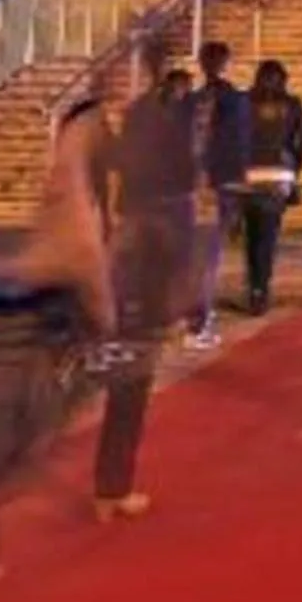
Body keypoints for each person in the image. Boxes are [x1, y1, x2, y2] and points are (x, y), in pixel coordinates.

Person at [0, 97, 118, 577]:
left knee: (26, 435)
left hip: (36, 317)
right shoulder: (75, 189)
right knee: (30, 436)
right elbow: (80, 256)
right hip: (41, 320)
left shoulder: (69, 183)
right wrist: (104, 316)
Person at [103, 45, 197, 508]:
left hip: (132, 234)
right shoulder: (161, 118)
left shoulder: (141, 116)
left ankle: (114, 484)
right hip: (149, 235)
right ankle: (113, 485)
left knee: (130, 370)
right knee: (132, 378)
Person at [187, 41, 253, 345]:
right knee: (209, 255)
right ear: (226, 64)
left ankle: (195, 315)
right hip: (219, 186)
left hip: (191, 186)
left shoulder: (191, 101)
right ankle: (199, 323)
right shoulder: (237, 101)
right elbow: (239, 147)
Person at [237, 61, 302, 316]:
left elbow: (234, 137)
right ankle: (260, 287)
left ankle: (254, 287)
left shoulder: (244, 102)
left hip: (248, 175)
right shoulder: (293, 105)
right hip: (278, 176)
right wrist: (293, 172)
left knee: (251, 234)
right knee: (268, 236)